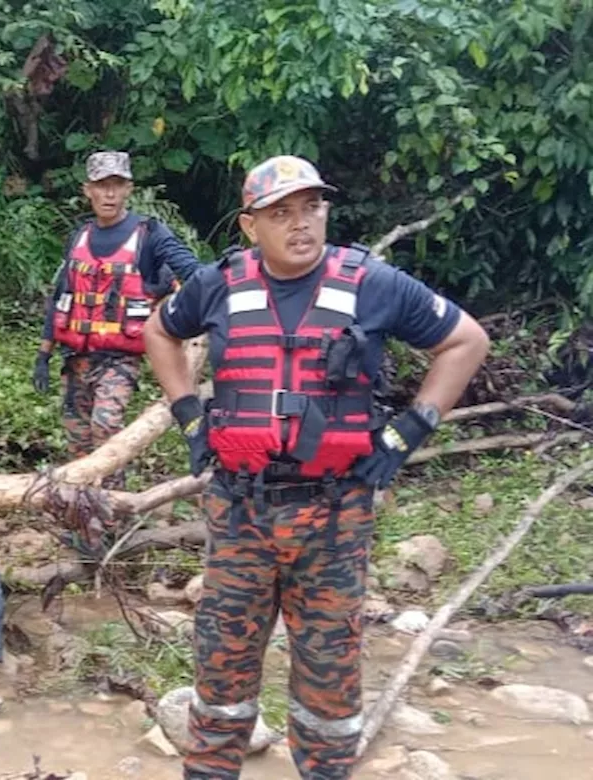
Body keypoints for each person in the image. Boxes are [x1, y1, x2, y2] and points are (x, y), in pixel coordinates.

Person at [143, 155, 490, 779]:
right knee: (221, 670)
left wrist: (411, 428)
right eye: (282, 213)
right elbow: (160, 333)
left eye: (312, 207)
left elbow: (465, 341)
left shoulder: (372, 283)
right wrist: (189, 415)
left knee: (330, 682)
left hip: (334, 512)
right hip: (241, 510)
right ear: (252, 226)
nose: (300, 224)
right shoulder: (220, 283)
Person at [34, 150, 201, 498]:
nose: (109, 194)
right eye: (101, 186)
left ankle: (114, 515)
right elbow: (61, 297)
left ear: (129, 189)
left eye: (117, 185)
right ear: (87, 190)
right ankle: (84, 521)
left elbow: (192, 272)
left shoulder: (150, 235)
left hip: (120, 360)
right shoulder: (79, 237)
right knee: (77, 441)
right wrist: (43, 355)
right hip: (75, 358)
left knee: (106, 428)